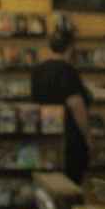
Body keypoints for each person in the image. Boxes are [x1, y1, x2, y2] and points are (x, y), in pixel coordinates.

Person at [31, 22, 92, 183]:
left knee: (49, 185)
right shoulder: (68, 71)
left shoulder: (38, 71)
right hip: (69, 140)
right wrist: (87, 136)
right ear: (70, 48)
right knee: (71, 186)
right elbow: (76, 105)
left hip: (45, 136)